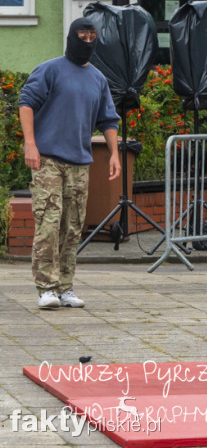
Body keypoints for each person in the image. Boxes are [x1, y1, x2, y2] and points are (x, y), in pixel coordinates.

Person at [19, 18, 121, 310]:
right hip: (48, 160)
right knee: (49, 224)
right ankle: (46, 288)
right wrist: (30, 144)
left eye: (92, 35)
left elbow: (108, 120)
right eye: (82, 34)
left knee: (73, 227)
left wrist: (114, 154)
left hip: (80, 164)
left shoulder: (98, 79)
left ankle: (65, 287)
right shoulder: (50, 70)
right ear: (72, 36)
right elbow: (26, 103)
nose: (87, 40)